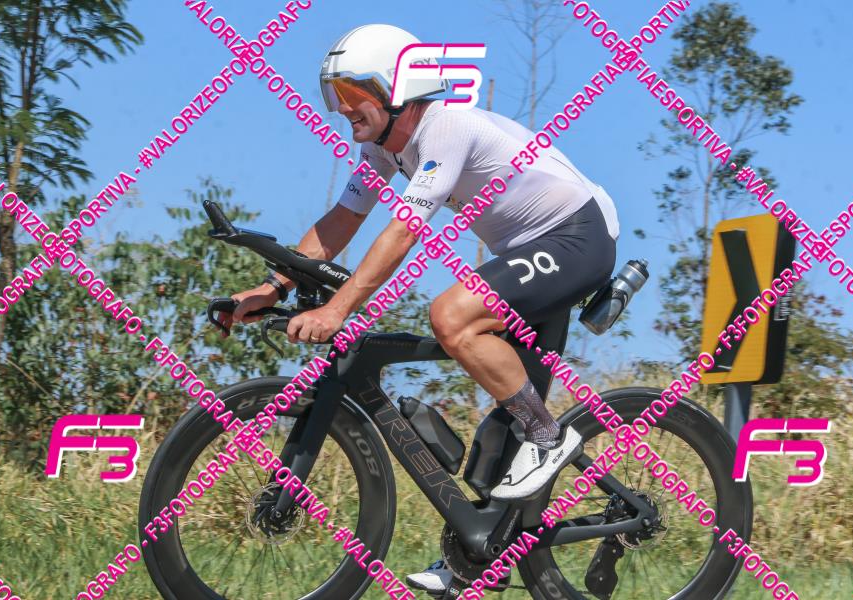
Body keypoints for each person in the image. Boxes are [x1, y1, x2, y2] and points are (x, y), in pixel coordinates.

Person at [223, 23, 620, 595]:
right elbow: (342, 221)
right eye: (334, 95)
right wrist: (272, 287)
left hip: (577, 236)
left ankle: (551, 438)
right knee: (497, 438)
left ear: (397, 89)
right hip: (530, 251)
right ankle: (476, 556)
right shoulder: (383, 149)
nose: (341, 108)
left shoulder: (446, 127)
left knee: (452, 316)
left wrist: (338, 309)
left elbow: (403, 231)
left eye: (352, 93)